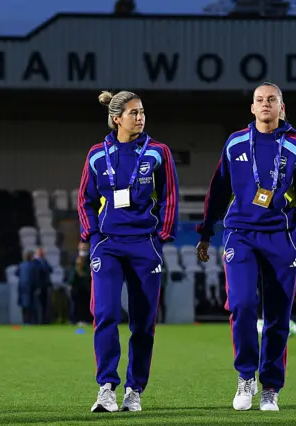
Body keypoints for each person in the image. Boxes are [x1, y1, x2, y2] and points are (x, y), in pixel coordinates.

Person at [195, 82, 296, 412]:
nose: (265, 104)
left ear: (282, 107)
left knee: (278, 316)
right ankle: (245, 376)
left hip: (280, 238)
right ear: (252, 108)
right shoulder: (235, 142)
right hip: (241, 234)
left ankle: (271, 388)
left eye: (272, 100)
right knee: (242, 304)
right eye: (260, 100)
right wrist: (206, 231)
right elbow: (218, 190)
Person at [78, 90, 179, 413]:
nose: (140, 117)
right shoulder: (96, 154)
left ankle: (135, 390)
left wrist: (161, 235)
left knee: (143, 323)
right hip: (108, 245)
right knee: (105, 314)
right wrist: (93, 236)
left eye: (142, 111)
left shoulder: (158, 152)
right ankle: (106, 387)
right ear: (116, 118)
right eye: (134, 113)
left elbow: (170, 197)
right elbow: (85, 200)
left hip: (144, 245)